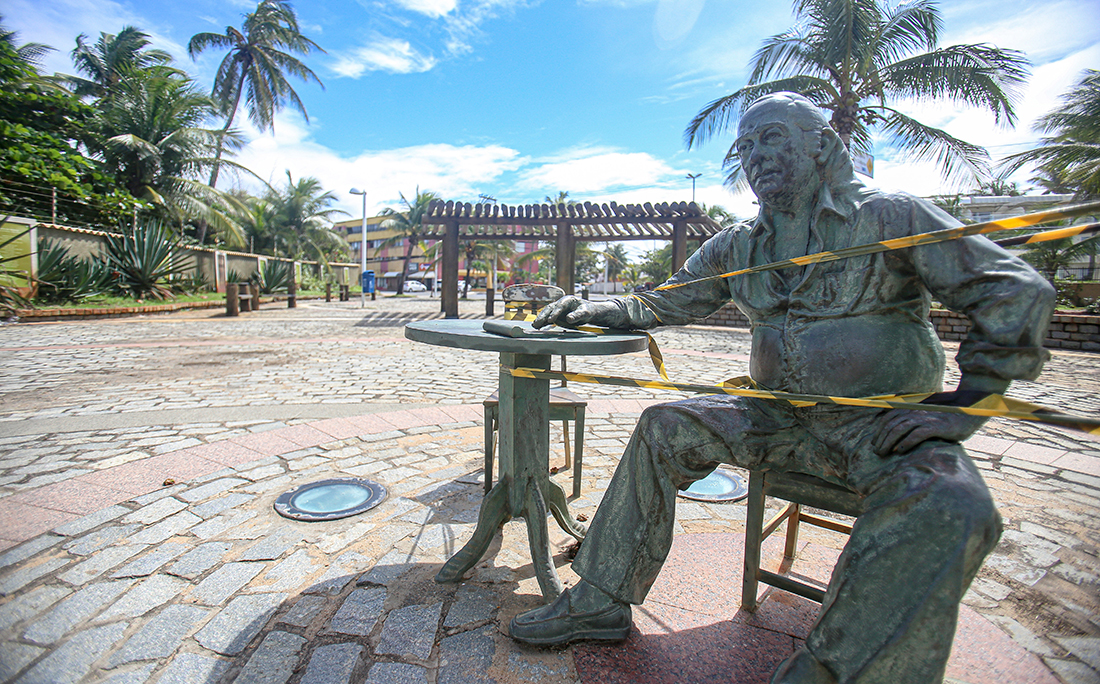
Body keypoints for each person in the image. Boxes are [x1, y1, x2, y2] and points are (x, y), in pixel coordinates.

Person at [509, 92, 1055, 684]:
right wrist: (596, 306)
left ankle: (832, 669)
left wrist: (968, 405)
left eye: (771, 137)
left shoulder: (892, 217)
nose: (755, 155)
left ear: (821, 144)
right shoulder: (739, 245)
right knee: (662, 425)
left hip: (876, 429)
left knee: (956, 502)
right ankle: (599, 601)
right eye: (745, 147)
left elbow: (1014, 290)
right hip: (773, 417)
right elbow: (662, 300)